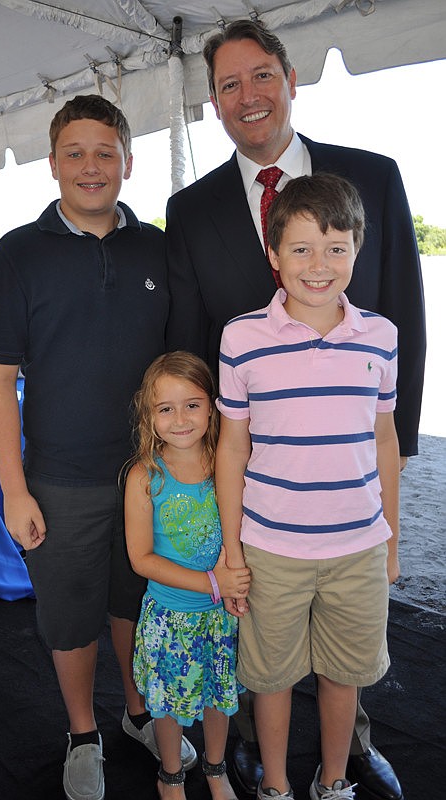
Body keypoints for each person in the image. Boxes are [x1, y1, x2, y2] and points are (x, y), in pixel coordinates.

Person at [165, 18, 423, 799]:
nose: (248, 96)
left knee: (348, 646)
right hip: (263, 490)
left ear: (290, 78)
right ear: (213, 102)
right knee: (265, 642)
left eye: (260, 76)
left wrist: (396, 460)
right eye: (228, 85)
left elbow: (403, 312)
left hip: (351, 474)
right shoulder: (190, 206)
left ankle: (346, 757)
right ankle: (257, 754)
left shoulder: (370, 176)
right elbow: (191, 344)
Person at [0, 95, 196, 800]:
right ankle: (81, 732)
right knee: (69, 615)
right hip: (60, 481)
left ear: (128, 162)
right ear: (52, 164)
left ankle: (136, 712)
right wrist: (13, 489)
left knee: (135, 603)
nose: (90, 166)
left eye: (105, 151)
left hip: (149, 477)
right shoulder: (16, 253)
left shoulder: (159, 246)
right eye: (75, 152)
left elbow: (183, 372)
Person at [215, 172, 400, 800]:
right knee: (269, 678)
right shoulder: (241, 340)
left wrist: (391, 544)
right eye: (300, 249)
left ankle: (336, 778)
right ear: (272, 255)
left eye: (336, 248)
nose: (318, 265)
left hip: (358, 549)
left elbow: (385, 441)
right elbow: (233, 447)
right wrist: (232, 550)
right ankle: (274, 783)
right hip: (271, 550)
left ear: (357, 250)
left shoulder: (381, 336)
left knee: (344, 676)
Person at [124, 351, 251, 800]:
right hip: (170, 620)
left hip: (221, 619)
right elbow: (141, 558)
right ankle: (171, 776)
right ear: (149, 414)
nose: (180, 418)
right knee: (168, 706)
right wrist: (213, 584)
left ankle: (215, 769)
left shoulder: (226, 464)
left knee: (220, 696)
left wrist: (230, 577)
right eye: (166, 408)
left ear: (213, 405)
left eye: (192, 404)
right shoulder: (145, 477)